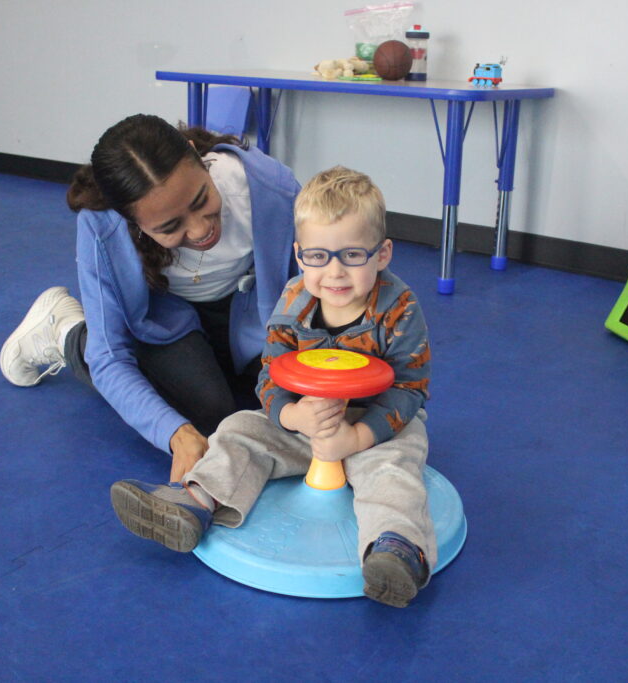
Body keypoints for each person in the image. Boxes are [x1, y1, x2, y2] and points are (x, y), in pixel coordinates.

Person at [109, 166, 436, 608]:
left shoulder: (398, 307)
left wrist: (357, 436)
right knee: (240, 428)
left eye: (353, 256)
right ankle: (195, 501)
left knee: (396, 469)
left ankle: (395, 549)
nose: (335, 272)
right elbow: (271, 372)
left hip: (375, 426)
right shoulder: (293, 300)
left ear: (382, 254)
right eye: (319, 256)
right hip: (304, 420)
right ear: (300, 256)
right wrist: (291, 416)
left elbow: (410, 386)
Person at [0, 114, 299, 481]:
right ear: (130, 220)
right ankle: (66, 333)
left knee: (288, 398)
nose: (202, 229)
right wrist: (175, 433)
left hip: (248, 310)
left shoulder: (270, 189)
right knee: (208, 412)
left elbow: (315, 289)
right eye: (170, 227)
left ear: (195, 156)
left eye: (201, 198)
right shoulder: (102, 225)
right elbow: (110, 356)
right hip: (163, 320)